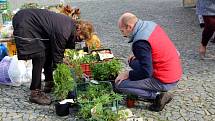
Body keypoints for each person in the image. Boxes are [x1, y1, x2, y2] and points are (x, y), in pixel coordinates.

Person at [12, 8, 93, 105]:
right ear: (79, 29)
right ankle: (35, 93)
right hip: (26, 23)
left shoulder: (70, 25)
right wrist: (63, 73)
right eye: (79, 38)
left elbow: (55, 51)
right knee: (40, 56)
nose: (78, 41)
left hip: (28, 20)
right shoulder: (64, 31)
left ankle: (49, 82)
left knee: (48, 52)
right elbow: (57, 57)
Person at [115, 12, 182, 112]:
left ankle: (158, 96)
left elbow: (147, 73)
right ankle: (155, 90)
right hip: (174, 70)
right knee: (131, 61)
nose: (122, 34)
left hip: (165, 79)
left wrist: (128, 73)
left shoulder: (140, 42)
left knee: (119, 85)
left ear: (129, 27)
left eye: (122, 31)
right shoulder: (150, 25)